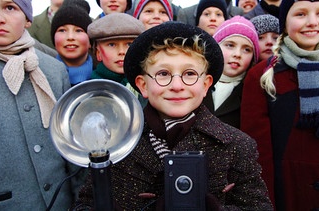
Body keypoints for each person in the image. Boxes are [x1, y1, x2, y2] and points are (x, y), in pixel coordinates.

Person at [74, 21, 273, 210]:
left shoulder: (237, 146)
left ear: (205, 85)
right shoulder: (117, 144)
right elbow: (85, 202)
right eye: (163, 74)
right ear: (143, 85)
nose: (177, 86)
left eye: (189, 74)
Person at [240, 0, 319, 209]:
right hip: (287, 196)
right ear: (285, 21)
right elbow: (257, 155)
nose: (312, 22)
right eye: (301, 14)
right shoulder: (262, 76)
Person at [0, 0, 84, 210]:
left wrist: (81, 199)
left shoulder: (53, 69)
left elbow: (69, 140)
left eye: (9, 7)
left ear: (28, 18)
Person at [203, 16, 260, 129]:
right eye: (230, 45)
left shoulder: (254, 91)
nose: (237, 54)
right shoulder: (197, 82)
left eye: (246, 49)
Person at [88, 13, 147, 107]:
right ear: (98, 53)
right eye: (112, 44)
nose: (121, 52)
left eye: (129, 44)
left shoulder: (149, 86)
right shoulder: (88, 91)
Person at [51, 0, 93, 86]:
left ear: (90, 42)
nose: (70, 37)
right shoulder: (41, 75)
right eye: (62, 30)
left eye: (78, 30)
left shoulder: (105, 78)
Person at [177, 0, 244, 26]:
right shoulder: (185, 13)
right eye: (207, 14)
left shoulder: (238, 12)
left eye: (218, 15)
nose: (213, 18)